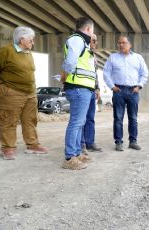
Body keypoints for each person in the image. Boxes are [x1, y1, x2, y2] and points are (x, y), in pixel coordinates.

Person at [0, 26, 49, 160]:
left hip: (30, 94)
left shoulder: (28, 53)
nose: (33, 42)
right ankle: (8, 148)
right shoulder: (6, 51)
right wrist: (0, 87)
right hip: (11, 93)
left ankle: (32, 144)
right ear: (21, 39)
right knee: (9, 120)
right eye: (31, 39)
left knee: (30, 120)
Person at [61, 17, 96, 170]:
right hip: (78, 87)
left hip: (83, 88)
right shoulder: (77, 40)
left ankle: (76, 153)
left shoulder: (84, 43)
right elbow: (70, 62)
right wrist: (64, 76)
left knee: (79, 122)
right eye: (93, 30)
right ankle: (69, 158)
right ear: (88, 29)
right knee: (76, 122)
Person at [103, 35, 149, 151]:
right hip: (118, 91)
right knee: (118, 118)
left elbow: (144, 73)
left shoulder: (138, 58)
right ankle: (118, 142)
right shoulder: (112, 57)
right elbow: (106, 73)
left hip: (133, 91)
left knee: (133, 118)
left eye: (123, 43)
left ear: (130, 45)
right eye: (119, 43)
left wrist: (139, 86)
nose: (121, 45)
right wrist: (112, 86)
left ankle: (133, 141)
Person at [81, 34, 102, 153]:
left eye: (96, 41)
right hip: (82, 89)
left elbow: (94, 74)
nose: (95, 43)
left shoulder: (93, 56)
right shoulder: (81, 53)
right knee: (81, 119)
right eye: (93, 41)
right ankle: (82, 144)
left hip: (91, 90)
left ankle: (90, 142)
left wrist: (97, 88)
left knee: (90, 118)